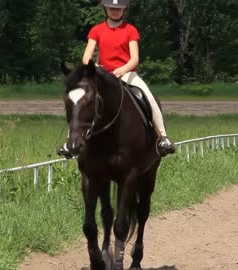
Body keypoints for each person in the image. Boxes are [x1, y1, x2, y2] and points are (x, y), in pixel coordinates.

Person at [58, 0, 175, 157]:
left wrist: (123, 69)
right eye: (111, 8)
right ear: (106, 9)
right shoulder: (96, 30)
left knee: (147, 95)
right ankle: (69, 141)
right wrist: (95, 67)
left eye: (118, 9)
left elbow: (134, 59)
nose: (114, 11)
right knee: (80, 99)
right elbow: (86, 57)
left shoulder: (130, 30)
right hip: (102, 75)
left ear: (124, 10)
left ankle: (162, 137)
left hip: (126, 73)